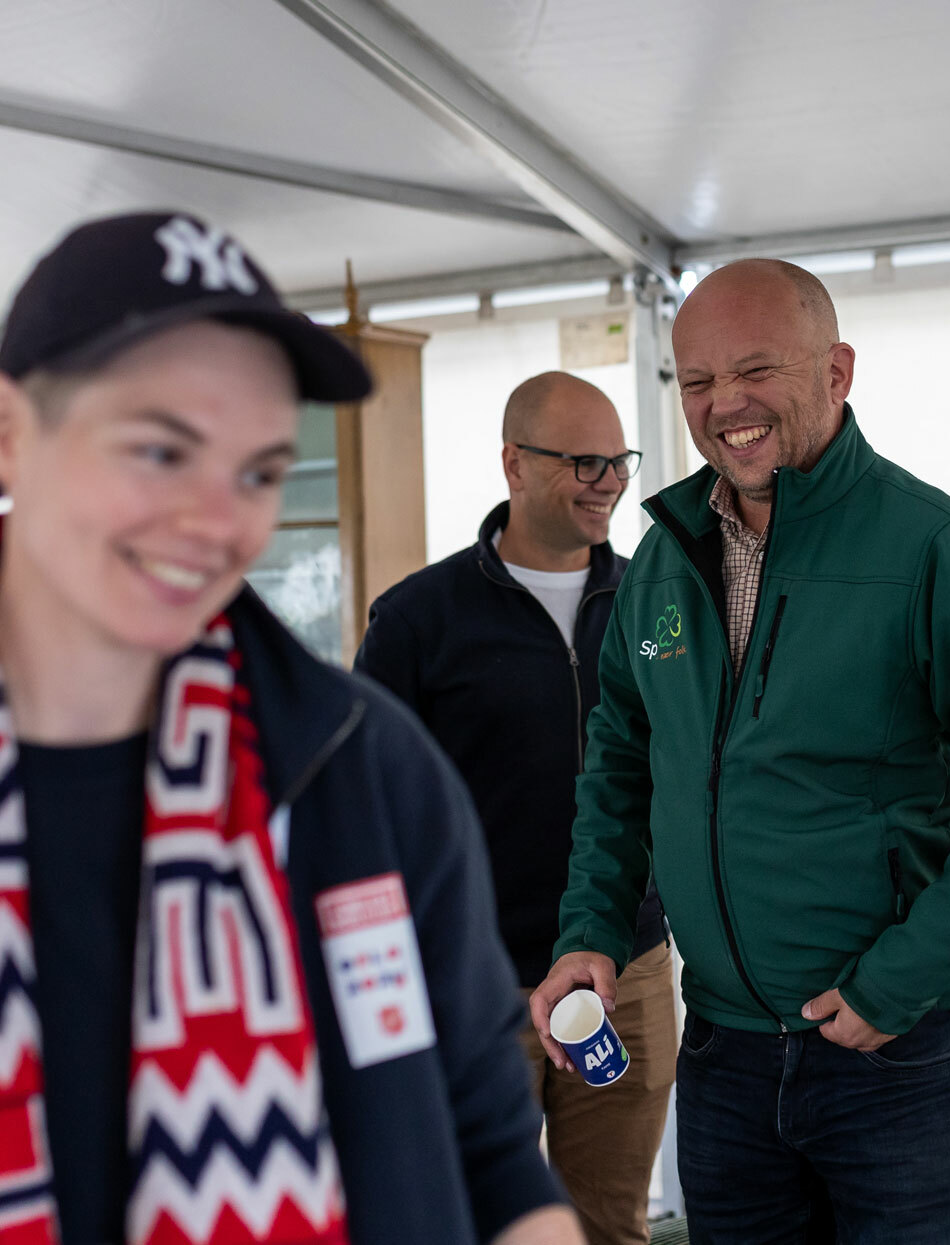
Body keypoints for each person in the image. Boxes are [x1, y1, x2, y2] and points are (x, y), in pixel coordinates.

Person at [0, 211, 579, 1245]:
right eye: (161, 450)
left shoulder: (363, 767)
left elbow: (486, 1150)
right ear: (7, 428)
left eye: (257, 470)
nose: (218, 520)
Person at [529, 259, 950, 1243]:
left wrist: (898, 981)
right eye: (699, 382)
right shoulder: (665, 554)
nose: (725, 406)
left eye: (755, 371)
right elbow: (621, 757)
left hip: (895, 1055)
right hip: (723, 1052)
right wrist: (590, 927)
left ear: (837, 371)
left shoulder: (937, 548)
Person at [355, 372, 675, 1245]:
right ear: (514, 463)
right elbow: (360, 807)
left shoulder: (657, 604)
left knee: (609, 1221)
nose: (607, 479)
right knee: (466, 1220)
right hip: (476, 981)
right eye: (582, 460)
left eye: (617, 460)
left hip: (626, 971)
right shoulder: (419, 619)